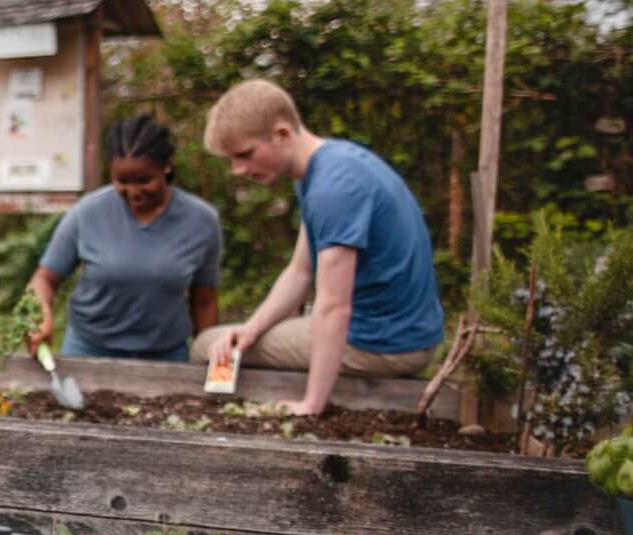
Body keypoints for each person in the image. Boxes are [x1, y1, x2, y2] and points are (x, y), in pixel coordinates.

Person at [191, 79, 443, 415]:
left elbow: (334, 307)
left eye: (245, 154)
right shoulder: (328, 168)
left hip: (384, 343)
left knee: (207, 346)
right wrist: (250, 329)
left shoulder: (332, 189)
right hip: (401, 333)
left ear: (281, 134)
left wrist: (311, 404)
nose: (238, 169)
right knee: (232, 339)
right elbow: (300, 271)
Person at [26, 115, 222, 362]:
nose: (133, 192)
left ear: (167, 166)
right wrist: (40, 315)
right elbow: (44, 279)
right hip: (89, 350)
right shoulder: (87, 213)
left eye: (144, 180)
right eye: (122, 181)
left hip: (166, 356)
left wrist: (212, 362)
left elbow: (204, 300)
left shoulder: (201, 221)